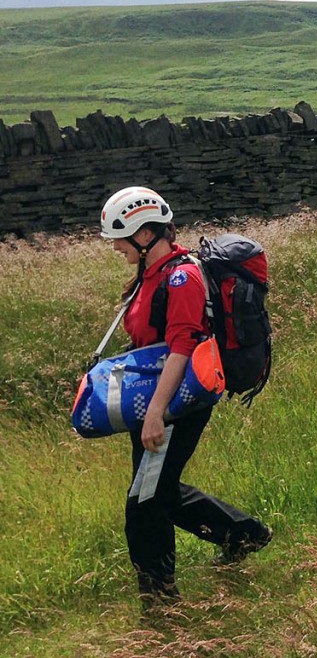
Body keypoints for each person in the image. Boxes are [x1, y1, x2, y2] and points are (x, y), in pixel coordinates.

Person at [99, 186, 272, 613]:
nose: (116, 247)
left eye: (120, 238)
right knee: (159, 492)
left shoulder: (181, 277)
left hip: (178, 403)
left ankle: (161, 607)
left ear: (145, 235)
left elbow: (182, 347)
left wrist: (156, 413)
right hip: (156, 400)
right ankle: (244, 534)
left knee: (144, 505)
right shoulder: (151, 274)